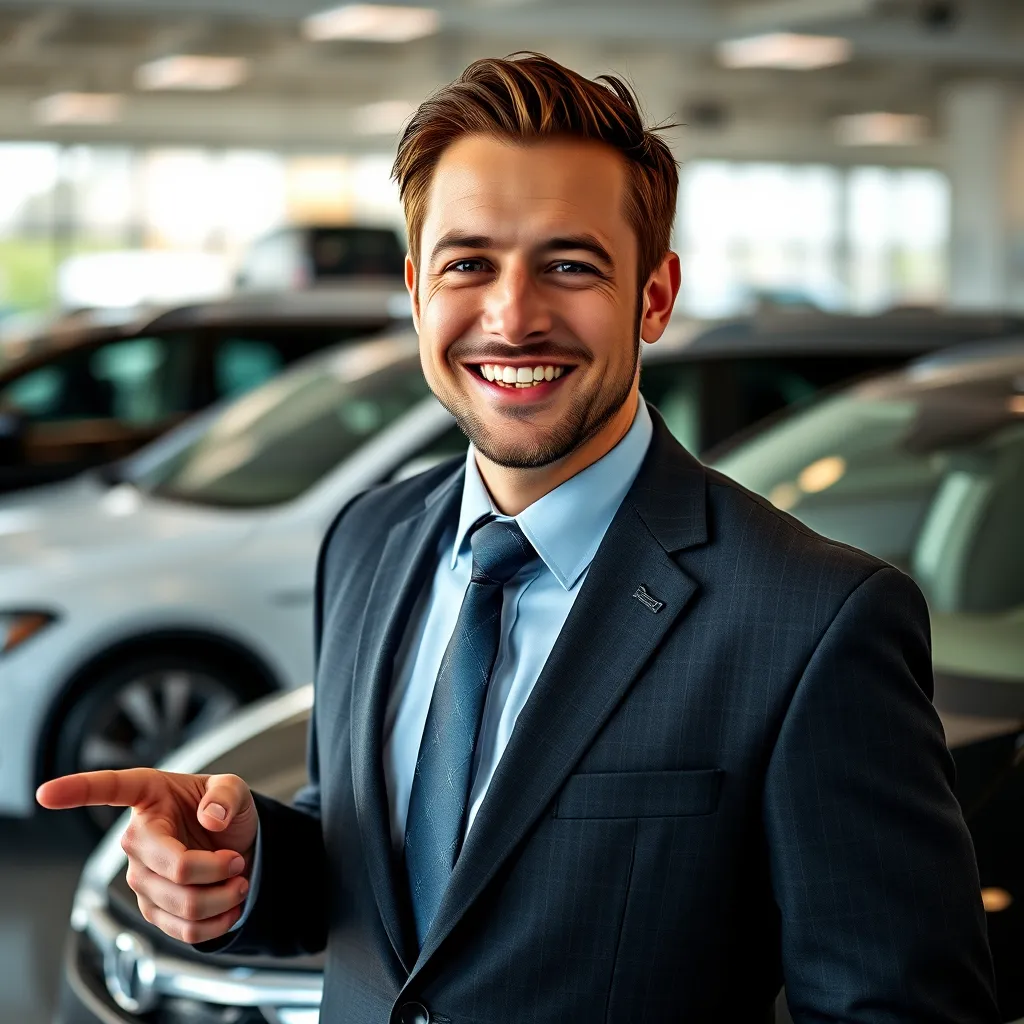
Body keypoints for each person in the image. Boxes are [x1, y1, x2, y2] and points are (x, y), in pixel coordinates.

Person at [38, 53, 998, 1023]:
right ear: (416, 290)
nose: (512, 316)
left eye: (570, 265)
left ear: (654, 296)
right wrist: (249, 868)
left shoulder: (811, 620)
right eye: (468, 263)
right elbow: (384, 862)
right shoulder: (368, 540)